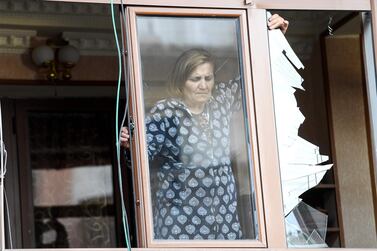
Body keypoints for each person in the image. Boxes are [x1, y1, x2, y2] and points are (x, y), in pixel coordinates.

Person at [121, 15, 288, 240]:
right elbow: (141, 157)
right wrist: (131, 145)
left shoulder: (220, 101)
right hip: (181, 223)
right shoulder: (166, 112)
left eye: (208, 78)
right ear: (182, 81)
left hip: (225, 221)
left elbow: (254, 78)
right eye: (195, 78)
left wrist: (273, 38)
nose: (203, 85)